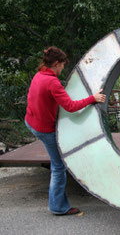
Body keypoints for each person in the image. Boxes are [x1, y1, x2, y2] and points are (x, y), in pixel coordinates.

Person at [25, 46, 106, 215]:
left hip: (30, 121)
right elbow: (70, 107)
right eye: (62, 65)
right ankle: (58, 207)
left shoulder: (39, 75)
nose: (63, 68)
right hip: (44, 129)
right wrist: (93, 98)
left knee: (59, 160)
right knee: (58, 167)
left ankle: (58, 204)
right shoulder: (52, 82)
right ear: (55, 64)